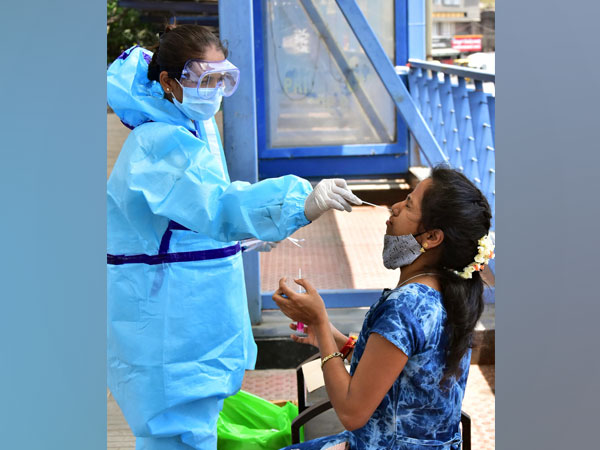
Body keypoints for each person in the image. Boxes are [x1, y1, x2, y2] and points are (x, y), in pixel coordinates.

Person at [107, 24, 362, 450]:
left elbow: (197, 220)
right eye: (204, 80)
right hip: (171, 326)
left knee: (193, 429)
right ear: (167, 81)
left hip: (192, 319)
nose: (215, 90)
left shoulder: (189, 125)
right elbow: (218, 206)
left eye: (223, 79)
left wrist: (260, 228)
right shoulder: (158, 143)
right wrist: (301, 201)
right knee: (176, 433)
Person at [273, 167, 494, 450]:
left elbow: (352, 412)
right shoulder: (448, 292)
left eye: (409, 205)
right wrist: (326, 332)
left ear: (432, 237)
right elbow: (404, 372)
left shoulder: (405, 307)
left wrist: (319, 322)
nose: (395, 208)